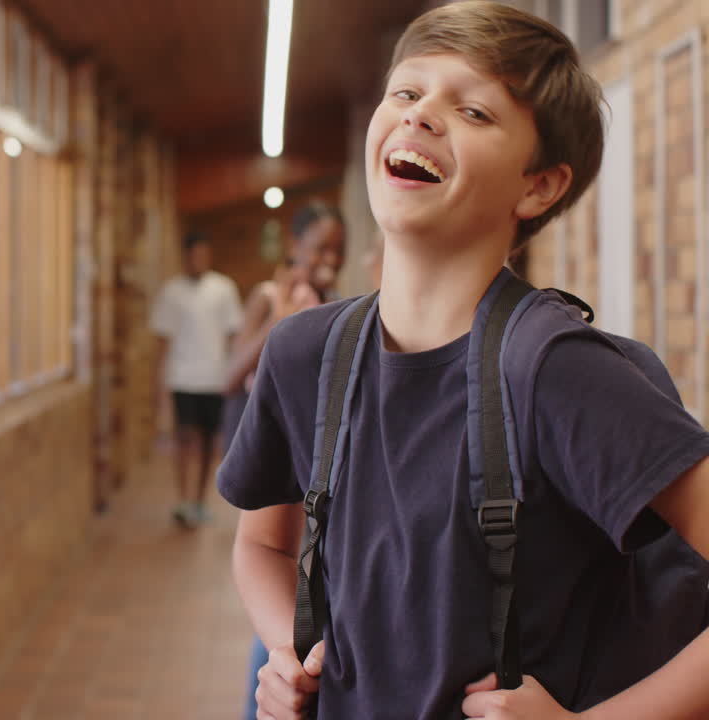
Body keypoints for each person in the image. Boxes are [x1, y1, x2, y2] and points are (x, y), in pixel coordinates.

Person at [217, 3, 709, 718]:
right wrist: (283, 655)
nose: (420, 116)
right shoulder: (305, 354)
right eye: (407, 92)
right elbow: (262, 547)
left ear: (539, 186)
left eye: (474, 112)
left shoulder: (556, 371)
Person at [226, 202, 346, 720]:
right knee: (281, 625)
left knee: (309, 584)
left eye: (337, 251)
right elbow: (229, 373)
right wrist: (280, 325)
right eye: (320, 247)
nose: (329, 260)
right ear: (295, 245)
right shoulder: (268, 298)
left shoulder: (343, 314)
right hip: (275, 475)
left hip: (318, 487)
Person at [150, 231, 243, 528]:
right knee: (184, 438)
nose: (198, 260)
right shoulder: (171, 292)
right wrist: (159, 383)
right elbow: (162, 341)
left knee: (206, 442)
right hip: (182, 378)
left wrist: (235, 376)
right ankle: (183, 499)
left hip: (213, 378)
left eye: (203, 254)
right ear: (186, 257)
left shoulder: (223, 289)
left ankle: (201, 500)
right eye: (193, 255)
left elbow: (234, 336)